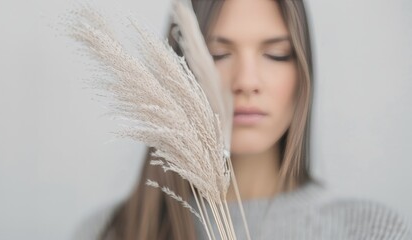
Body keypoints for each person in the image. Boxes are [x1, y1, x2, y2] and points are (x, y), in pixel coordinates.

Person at [79, 0, 412, 239]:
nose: (246, 81)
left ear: (303, 74)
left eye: (276, 54)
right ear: (178, 73)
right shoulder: (112, 231)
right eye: (218, 55)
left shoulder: (370, 230)